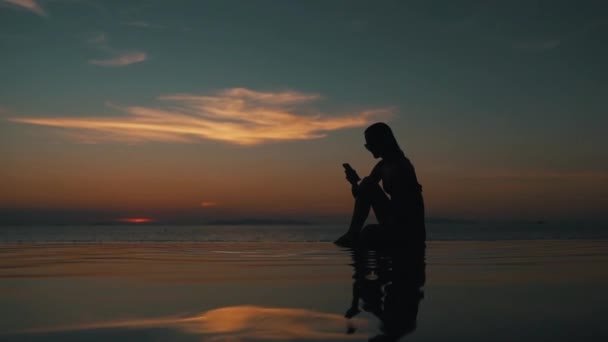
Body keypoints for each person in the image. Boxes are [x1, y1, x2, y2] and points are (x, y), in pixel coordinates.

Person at [334, 122, 425, 248]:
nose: (369, 148)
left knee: (368, 233)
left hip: (408, 228)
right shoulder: (382, 166)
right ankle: (352, 233)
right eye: (367, 145)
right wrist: (354, 183)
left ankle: (352, 234)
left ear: (382, 142)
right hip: (395, 220)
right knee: (367, 184)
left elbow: (410, 208)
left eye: (370, 144)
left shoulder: (401, 166)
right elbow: (362, 198)